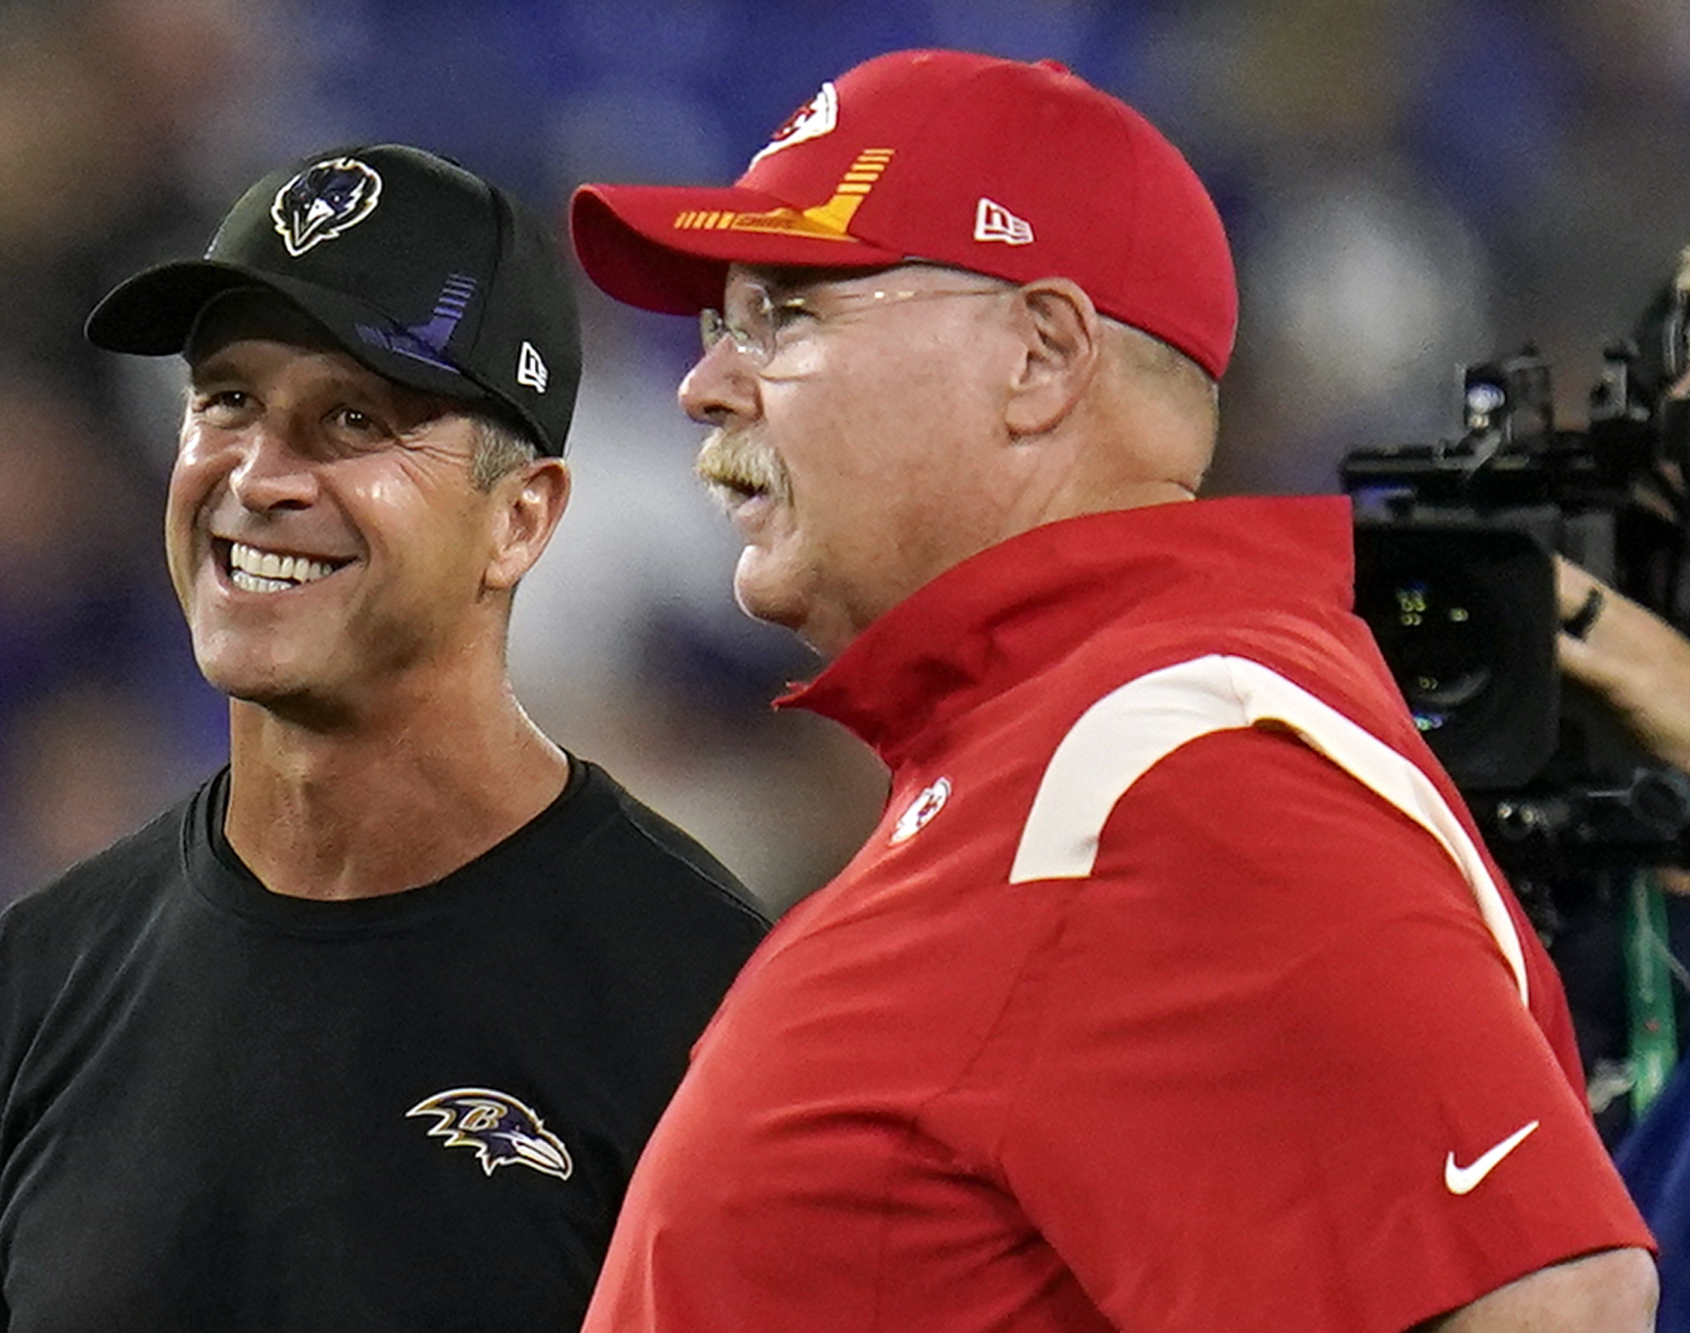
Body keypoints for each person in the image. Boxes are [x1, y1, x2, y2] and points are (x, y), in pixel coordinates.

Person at [565, 48, 1656, 1332]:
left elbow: (1547, 1307)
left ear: (1039, 356)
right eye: (715, 325)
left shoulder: (1175, 757)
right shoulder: (1057, 755)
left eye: (786, 315)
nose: (704, 383)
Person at [0, 143, 769, 1333]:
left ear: (519, 519)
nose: (258, 477)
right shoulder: (43, 976)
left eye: (353, 419)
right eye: (226, 401)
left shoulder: (697, 994)